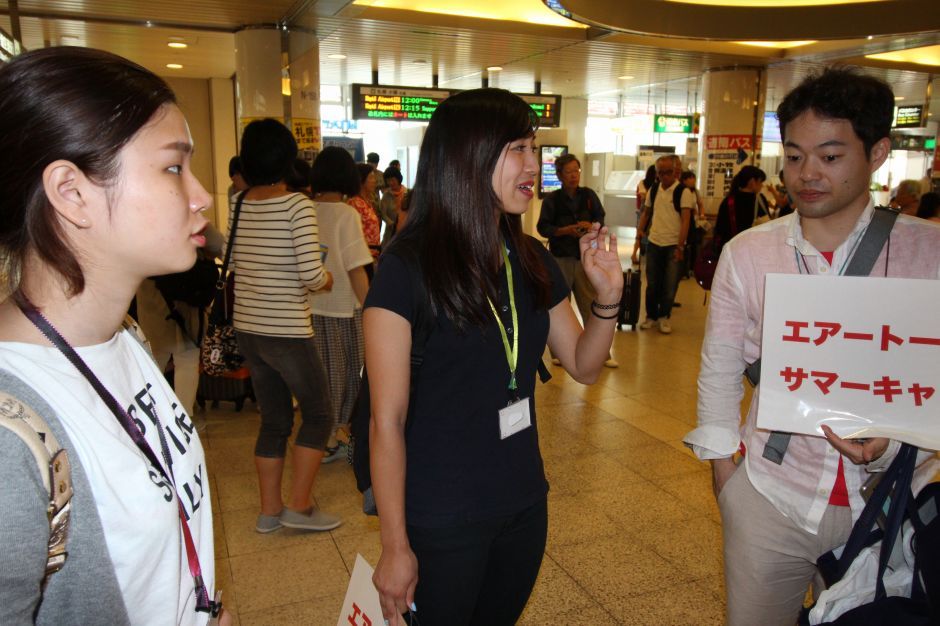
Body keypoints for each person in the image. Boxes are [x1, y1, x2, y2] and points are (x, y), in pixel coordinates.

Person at [684, 67, 940, 626]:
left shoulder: (929, 253)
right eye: (795, 156)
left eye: (830, 156)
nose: (807, 175)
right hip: (771, 496)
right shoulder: (750, 253)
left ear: (877, 153)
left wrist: (897, 438)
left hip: (891, 501)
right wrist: (726, 475)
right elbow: (721, 363)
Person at [365, 88, 622, 626]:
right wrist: (394, 546)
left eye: (534, 148)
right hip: (442, 514)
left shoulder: (529, 258)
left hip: (523, 502)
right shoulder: (406, 268)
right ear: (466, 156)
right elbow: (385, 421)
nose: (534, 166)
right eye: (515, 150)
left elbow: (583, 363)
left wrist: (608, 299)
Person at [0, 47, 228, 624]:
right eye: (174, 168)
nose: (200, 195)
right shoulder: (10, 436)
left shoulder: (122, 337)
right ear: (72, 192)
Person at [229, 118, 341, 534]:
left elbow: (237, 263)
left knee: (274, 420)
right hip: (287, 330)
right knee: (319, 413)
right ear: (286, 156)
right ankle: (299, 506)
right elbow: (312, 274)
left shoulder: (239, 203)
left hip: (249, 327)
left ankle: (268, 511)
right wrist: (326, 279)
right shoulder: (297, 205)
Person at [307, 147, 373, 463]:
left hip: (309, 312)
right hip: (342, 310)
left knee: (320, 376)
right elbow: (356, 268)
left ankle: (326, 434)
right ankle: (332, 437)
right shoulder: (346, 214)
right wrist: (372, 310)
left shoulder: (305, 209)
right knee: (347, 375)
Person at [536, 153, 617, 367]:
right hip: (561, 257)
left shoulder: (588, 195)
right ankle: (558, 352)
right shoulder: (552, 200)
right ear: (560, 175)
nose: (574, 175)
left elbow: (600, 216)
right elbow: (543, 228)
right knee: (559, 304)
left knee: (589, 302)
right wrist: (565, 230)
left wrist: (591, 226)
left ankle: (601, 353)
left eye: (576, 171)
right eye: (569, 172)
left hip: (585, 258)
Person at [631, 154, 696, 334]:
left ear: (676, 172)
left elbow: (685, 221)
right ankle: (650, 316)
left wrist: (680, 246)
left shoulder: (683, 192)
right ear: (657, 173)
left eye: (669, 172)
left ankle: (664, 317)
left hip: (673, 245)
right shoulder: (654, 189)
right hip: (654, 242)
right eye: (661, 172)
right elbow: (646, 213)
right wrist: (639, 233)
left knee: (669, 284)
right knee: (652, 283)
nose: (665, 176)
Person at [713, 165, 770, 245]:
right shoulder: (761, 200)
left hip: (733, 249)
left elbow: (720, 230)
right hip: (757, 249)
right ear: (752, 181)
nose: (762, 185)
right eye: (760, 181)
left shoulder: (728, 201)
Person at [349, 162, 383, 265]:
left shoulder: (368, 201)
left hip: (373, 255)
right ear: (361, 180)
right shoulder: (354, 203)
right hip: (363, 258)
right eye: (371, 178)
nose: (375, 181)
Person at [378, 166, 407, 246]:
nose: (390, 183)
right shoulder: (386, 195)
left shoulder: (407, 193)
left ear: (398, 179)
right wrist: (391, 223)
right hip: (390, 232)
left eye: (392, 180)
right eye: (388, 180)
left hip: (405, 231)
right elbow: (383, 214)